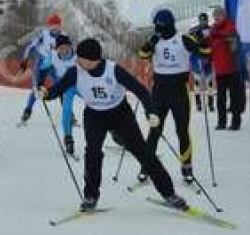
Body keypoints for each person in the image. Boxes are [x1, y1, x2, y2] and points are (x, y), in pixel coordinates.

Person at [42, 37, 188, 212]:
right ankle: (90, 196)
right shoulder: (74, 72)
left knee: (143, 152)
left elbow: (140, 90)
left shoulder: (113, 70)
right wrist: (45, 93)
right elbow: (57, 90)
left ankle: (169, 193)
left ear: (93, 60)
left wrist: (151, 112)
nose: (77, 61)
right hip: (94, 116)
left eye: (81, 58)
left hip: (120, 114)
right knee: (93, 153)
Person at [138, 8, 211, 184]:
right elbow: (142, 54)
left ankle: (186, 167)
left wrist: (203, 42)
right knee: (154, 130)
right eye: (156, 26)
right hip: (159, 91)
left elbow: (206, 53)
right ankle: (147, 166)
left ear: (170, 25)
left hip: (179, 91)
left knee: (182, 131)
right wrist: (150, 43)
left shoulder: (184, 39)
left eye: (161, 27)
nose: (159, 30)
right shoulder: (155, 40)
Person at [18, 13, 62, 124]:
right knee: (37, 89)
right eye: (52, 26)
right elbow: (30, 47)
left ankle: (69, 114)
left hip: (54, 65)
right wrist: (24, 60)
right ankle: (27, 110)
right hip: (42, 65)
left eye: (57, 25)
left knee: (62, 86)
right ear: (49, 26)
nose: (55, 28)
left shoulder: (63, 37)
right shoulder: (44, 35)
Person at [208, 6, 246, 130]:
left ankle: (236, 122)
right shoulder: (213, 29)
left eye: (219, 15)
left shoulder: (230, 25)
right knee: (220, 99)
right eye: (215, 16)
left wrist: (216, 35)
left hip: (232, 69)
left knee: (234, 97)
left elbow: (230, 34)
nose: (216, 18)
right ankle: (221, 122)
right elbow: (210, 44)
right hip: (219, 70)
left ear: (224, 16)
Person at [45, 34, 79, 157]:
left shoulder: (78, 57)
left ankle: (113, 130)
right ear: (56, 49)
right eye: (61, 48)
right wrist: (40, 84)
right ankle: (68, 139)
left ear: (70, 47)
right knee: (67, 110)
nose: (64, 50)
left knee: (96, 105)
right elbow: (42, 70)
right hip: (67, 88)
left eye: (66, 47)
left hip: (82, 86)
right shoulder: (52, 57)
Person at [189, 12, 215, 112]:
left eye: (205, 20)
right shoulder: (195, 29)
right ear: (199, 20)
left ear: (207, 20)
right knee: (197, 82)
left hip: (208, 58)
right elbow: (189, 37)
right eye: (202, 20)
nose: (203, 21)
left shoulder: (211, 29)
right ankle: (198, 103)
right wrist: (195, 35)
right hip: (197, 58)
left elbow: (213, 38)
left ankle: (211, 103)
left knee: (209, 82)